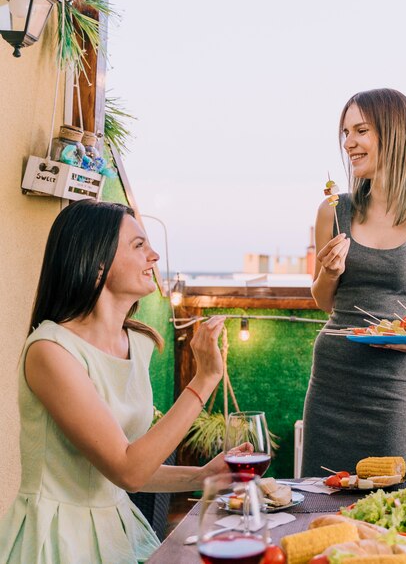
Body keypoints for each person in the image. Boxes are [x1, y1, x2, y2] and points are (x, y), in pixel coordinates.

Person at [0, 199, 244, 564]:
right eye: (139, 245)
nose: (155, 255)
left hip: (118, 532)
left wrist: (204, 475)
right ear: (97, 264)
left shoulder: (138, 344)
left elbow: (126, 469)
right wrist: (204, 380)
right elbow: (128, 469)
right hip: (56, 541)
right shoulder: (50, 352)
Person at [301, 88, 406, 477]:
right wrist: (330, 272)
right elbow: (324, 302)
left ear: (395, 134)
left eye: (361, 130)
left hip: (397, 386)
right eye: (345, 132)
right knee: (321, 502)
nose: (349, 143)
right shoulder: (333, 211)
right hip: (331, 381)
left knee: (390, 505)